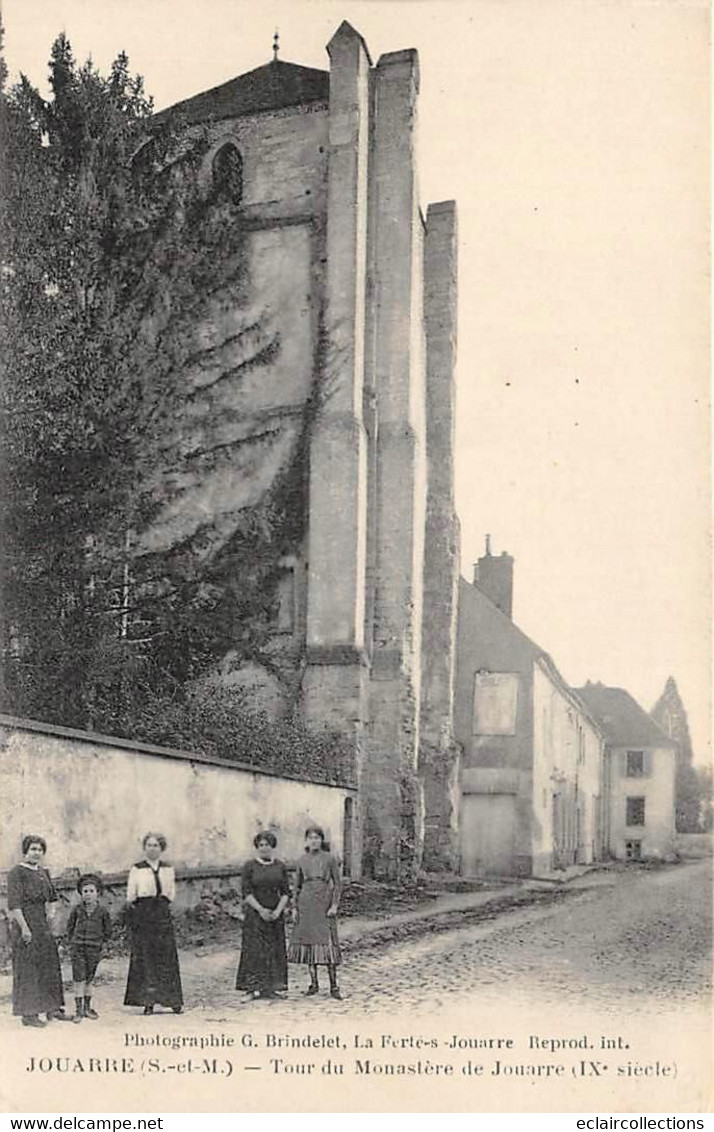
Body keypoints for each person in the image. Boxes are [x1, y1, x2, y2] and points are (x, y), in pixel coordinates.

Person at [7, 836, 74, 1027]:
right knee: (29, 969)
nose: (36, 853)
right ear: (25, 851)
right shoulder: (16, 873)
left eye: (40, 850)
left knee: (49, 965)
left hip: (42, 925)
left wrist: (51, 916)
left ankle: (53, 1008)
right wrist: (25, 928)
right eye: (33, 849)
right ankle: (29, 1014)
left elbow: (52, 898)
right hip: (25, 924)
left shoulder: (43, 872)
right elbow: (14, 905)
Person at [123, 833, 183, 1015]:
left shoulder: (168, 869)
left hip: (162, 913)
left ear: (161, 848)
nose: (152, 848)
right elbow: (131, 895)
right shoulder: (137, 869)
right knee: (146, 956)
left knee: (166, 956)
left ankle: (172, 1000)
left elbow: (171, 893)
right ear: (144, 848)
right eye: (149, 845)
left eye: (156, 845)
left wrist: (162, 906)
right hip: (144, 913)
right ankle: (147, 1001)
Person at [288, 825, 343, 999]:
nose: (314, 841)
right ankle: (314, 983)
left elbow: (338, 884)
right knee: (309, 942)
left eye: (317, 838)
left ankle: (334, 986)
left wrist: (334, 905)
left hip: (324, 902)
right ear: (307, 841)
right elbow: (296, 886)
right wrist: (295, 908)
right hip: (306, 902)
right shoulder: (302, 860)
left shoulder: (329, 859)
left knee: (327, 943)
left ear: (321, 840)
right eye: (311, 838)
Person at [235, 831, 290, 1000]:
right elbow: (246, 892)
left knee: (274, 949)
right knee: (254, 950)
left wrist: (277, 911)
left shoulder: (280, 866)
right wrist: (261, 910)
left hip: (275, 915)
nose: (264, 848)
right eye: (261, 845)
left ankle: (271, 988)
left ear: (272, 846)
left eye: (267, 844)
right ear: (257, 847)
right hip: (255, 914)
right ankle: (252, 989)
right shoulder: (250, 866)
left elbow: (286, 892)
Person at [66, 873, 112, 1021]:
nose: (88, 894)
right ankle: (78, 1010)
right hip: (78, 948)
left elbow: (107, 931)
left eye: (91, 891)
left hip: (94, 948)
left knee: (89, 978)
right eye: (85, 891)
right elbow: (70, 927)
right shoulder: (77, 910)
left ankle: (87, 1007)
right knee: (79, 978)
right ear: (81, 893)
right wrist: (72, 942)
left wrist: (103, 945)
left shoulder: (103, 911)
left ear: (97, 893)